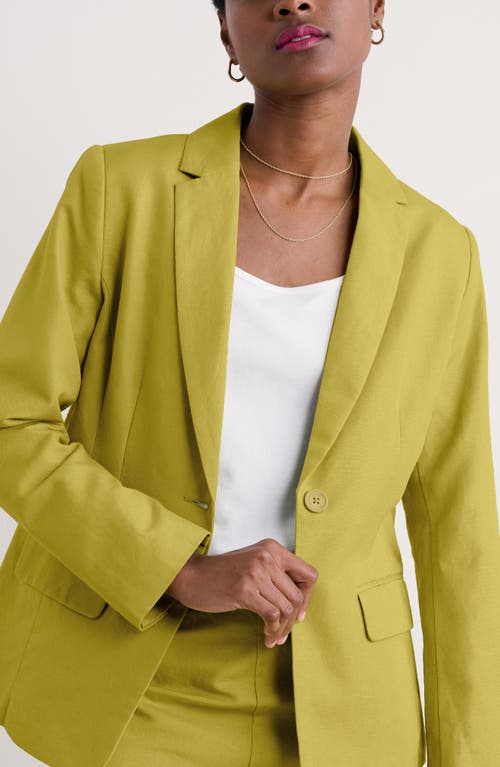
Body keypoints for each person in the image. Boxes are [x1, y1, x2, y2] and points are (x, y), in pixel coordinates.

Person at [1, 1, 499, 766]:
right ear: (226, 30)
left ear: (376, 8)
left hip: (349, 712)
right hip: (135, 688)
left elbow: (458, 535)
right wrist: (177, 566)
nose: (293, 0)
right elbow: (11, 419)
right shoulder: (120, 191)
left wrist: (473, 754)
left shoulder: (442, 255)